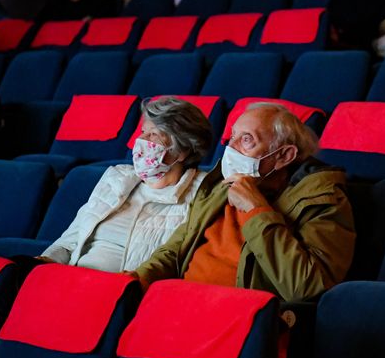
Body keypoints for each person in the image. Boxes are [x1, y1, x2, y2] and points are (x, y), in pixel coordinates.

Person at [133, 102, 356, 302]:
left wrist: (256, 210)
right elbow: (175, 250)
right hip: (183, 302)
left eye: (247, 139)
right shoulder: (219, 186)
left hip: (242, 316)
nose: (231, 148)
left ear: (284, 156)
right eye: (232, 137)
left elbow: (307, 286)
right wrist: (136, 281)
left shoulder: (323, 200)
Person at [39, 97, 214, 272]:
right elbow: (69, 242)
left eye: (153, 134)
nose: (141, 140)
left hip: (126, 290)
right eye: (142, 132)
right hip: (72, 279)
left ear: (182, 151)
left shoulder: (202, 195)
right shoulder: (116, 178)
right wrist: (42, 263)